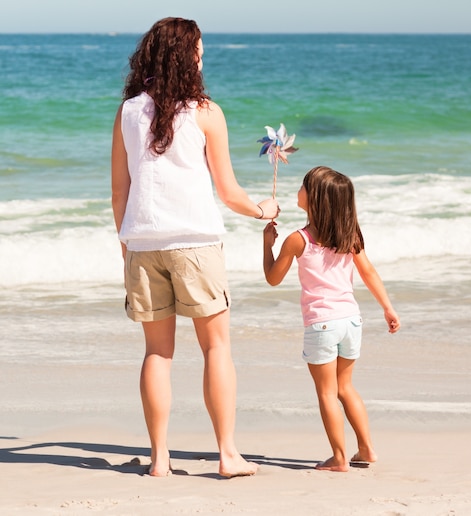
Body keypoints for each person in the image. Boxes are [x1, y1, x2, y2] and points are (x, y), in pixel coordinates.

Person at [111, 17, 278, 477]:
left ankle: (159, 460)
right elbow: (227, 191)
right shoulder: (205, 112)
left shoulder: (127, 112)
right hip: (196, 244)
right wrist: (263, 211)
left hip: (143, 244)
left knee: (156, 354)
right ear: (187, 57)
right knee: (216, 348)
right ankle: (227, 455)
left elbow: (118, 193)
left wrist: (126, 243)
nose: (205, 56)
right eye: (200, 50)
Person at [262, 165, 400, 472]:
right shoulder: (350, 235)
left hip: (321, 324)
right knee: (345, 388)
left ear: (315, 199)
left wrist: (266, 245)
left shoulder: (298, 239)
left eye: (303, 186)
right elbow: (369, 272)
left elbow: (273, 278)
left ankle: (339, 458)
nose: (299, 191)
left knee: (326, 392)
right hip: (351, 320)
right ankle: (365, 449)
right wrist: (387, 307)